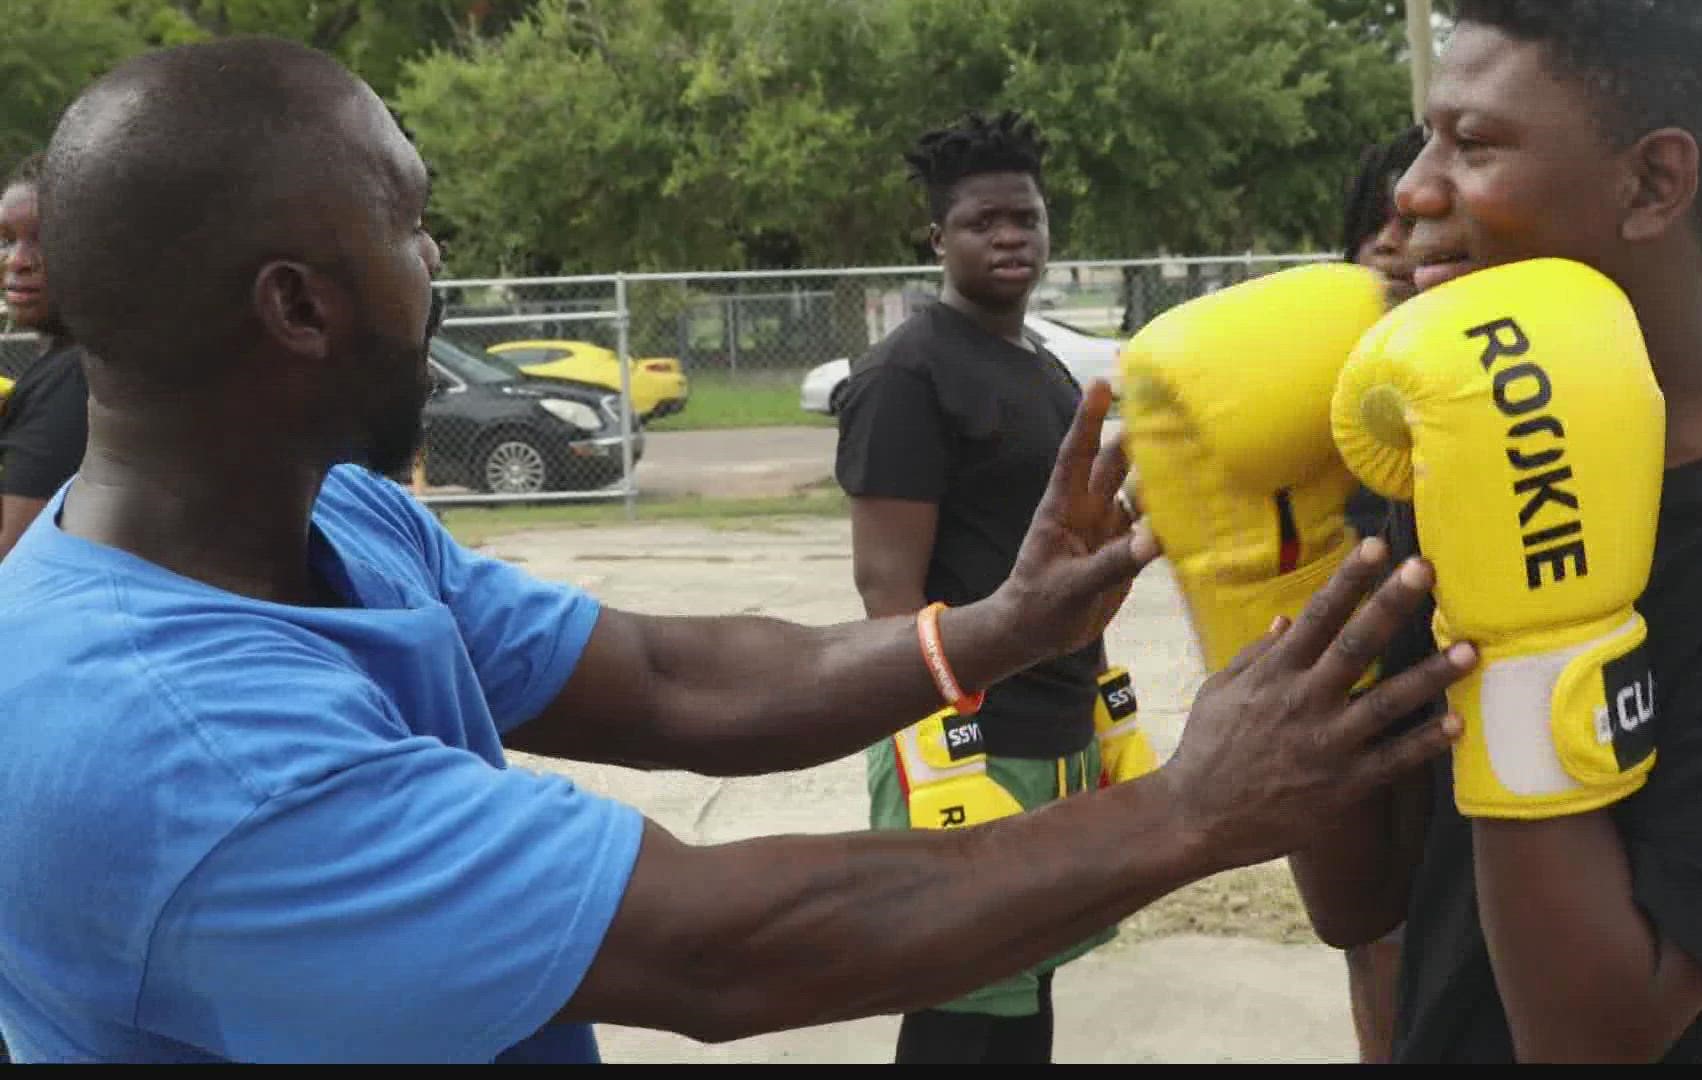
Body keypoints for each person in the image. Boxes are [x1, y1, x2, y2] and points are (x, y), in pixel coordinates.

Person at [0, 38, 1475, 1064]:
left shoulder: (332, 518)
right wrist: (1194, 814)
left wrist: (998, 628)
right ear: (297, 309)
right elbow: (717, 951)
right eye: (413, 223)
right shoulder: (173, 749)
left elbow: (661, 675)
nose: (440, 264)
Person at [1288, 0, 1702, 1063]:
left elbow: (1593, 1045)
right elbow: (1359, 901)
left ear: (1653, 183)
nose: (1411, 188)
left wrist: (1539, 630)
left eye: (1473, 144)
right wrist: (1274, 567)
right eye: (1428, 134)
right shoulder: (1452, 452)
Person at [831, 109, 1145, 1064]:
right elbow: (887, 591)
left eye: (1028, 218)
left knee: (1025, 985)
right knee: (964, 1002)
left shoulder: (1044, 365)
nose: (1012, 237)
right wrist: (945, 747)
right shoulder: (907, 375)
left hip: (1055, 724)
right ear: (938, 239)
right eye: (983, 222)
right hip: (968, 739)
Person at [1329, 121, 1427, 1065]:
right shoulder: (1323, 399)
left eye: (1419, 220)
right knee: (1376, 945)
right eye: (1379, 222)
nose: (1394, 243)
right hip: (1369, 723)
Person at [0, 151, 88, 560]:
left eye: (45, 240)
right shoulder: (62, 363)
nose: (18, 262)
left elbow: (12, 552)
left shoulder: (73, 375)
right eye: (5, 240)